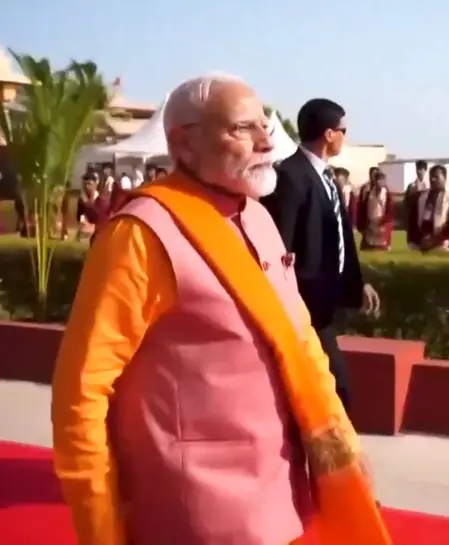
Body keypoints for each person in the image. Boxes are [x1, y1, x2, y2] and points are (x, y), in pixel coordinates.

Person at [52, 76, 389, 545]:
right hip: (195, 513)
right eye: (242, 128)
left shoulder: (258, 217)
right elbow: (81, 394)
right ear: (183, 143)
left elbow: (301, 341)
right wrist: (101, 529)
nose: (266, 141)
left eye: (264, 126)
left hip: (280, 498)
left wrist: (343, 444)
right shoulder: (140, 236)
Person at [261, 98, 380, 413]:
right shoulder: (290, 176)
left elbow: (341, 239)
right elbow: (278, 247)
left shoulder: (326, 178)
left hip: (325, 307)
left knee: (327, 393)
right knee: (338, 392)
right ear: (329, 134)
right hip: (303, 307)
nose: (345, 137)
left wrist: (358, 284)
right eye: (343, 130)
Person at [356, 170, 393, 250]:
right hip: (370, 223)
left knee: (381, 246)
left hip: (381, 223)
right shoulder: (369, 193)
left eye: (382, 180)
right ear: (375, 181)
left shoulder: (386, 193)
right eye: (378, 180)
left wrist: (384, 221)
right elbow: (363, 208)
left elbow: (389, 210)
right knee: (369, 246)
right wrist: (363, 222)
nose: (380, 182)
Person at [417, 164, 449, 250]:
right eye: (431, 177)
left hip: (443, 243)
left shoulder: (447, 197)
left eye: (436, 177)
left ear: (445, 178)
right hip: (423, 241)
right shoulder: (422, 197)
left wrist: (435, 239)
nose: (432, 179)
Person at [75, 174, 108, 241]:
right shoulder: (82, 200)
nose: (87, 187)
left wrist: (87, 204)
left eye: (90, 184)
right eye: (85, 184)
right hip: (87, 235)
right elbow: (79, 216)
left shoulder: (101, 200)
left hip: (101, 235)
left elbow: (99, 218)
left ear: (95, 185)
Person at [404, 160, 428, 248]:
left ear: (425, 170)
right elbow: (406, 202)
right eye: (417, 169)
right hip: (414, 217)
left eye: (421, 169)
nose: (419, 171)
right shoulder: (411, 186)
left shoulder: (428, 186)